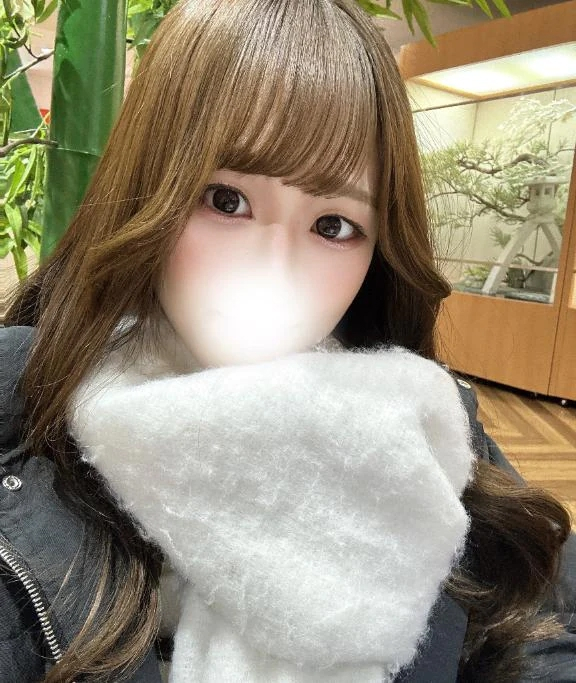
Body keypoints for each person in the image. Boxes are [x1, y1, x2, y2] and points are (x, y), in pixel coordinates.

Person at [1, 0, 575, 681]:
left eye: (333, 225)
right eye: (226, 200)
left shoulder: (425, 420)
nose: (274, 269)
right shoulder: (26, 448)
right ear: (149, 189)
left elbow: (539, 631)